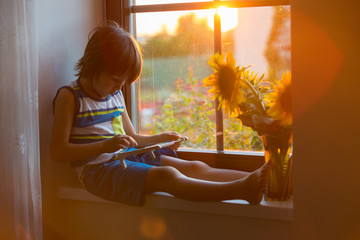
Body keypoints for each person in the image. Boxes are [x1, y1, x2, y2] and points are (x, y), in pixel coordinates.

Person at [50, 22, 271, 207]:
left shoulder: (114, 95)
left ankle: (268, 185)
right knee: (167, 176)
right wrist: (104, 146)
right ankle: (243, 190)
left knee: (195, 167)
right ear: (93, 64)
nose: (119, 87)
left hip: (126, 157)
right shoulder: (70, 97)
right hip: (98, 171)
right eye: (115, 78)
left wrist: (160, 139)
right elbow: (58, 152)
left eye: (124, 82)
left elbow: (132, 139)